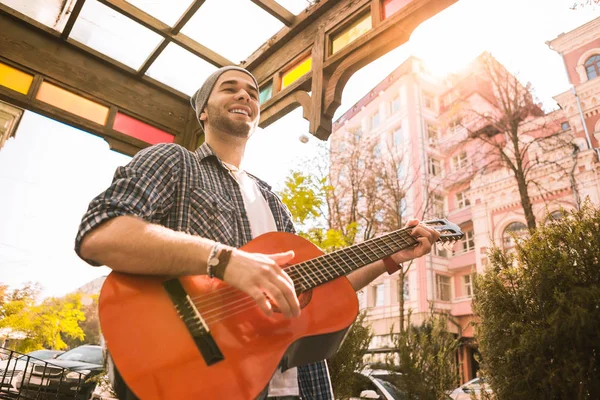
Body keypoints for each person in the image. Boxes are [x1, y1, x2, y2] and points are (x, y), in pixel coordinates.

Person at [75, 66, 440, 400]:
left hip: (298, 386)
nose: (244, 95)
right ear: (203, 110)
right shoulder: (174, 162)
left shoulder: (272, 201)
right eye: (228, 88)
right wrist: (224, 260)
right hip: (206, 379)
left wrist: (390, 256)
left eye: (251, 91)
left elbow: (321, 290)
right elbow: (101, 232)